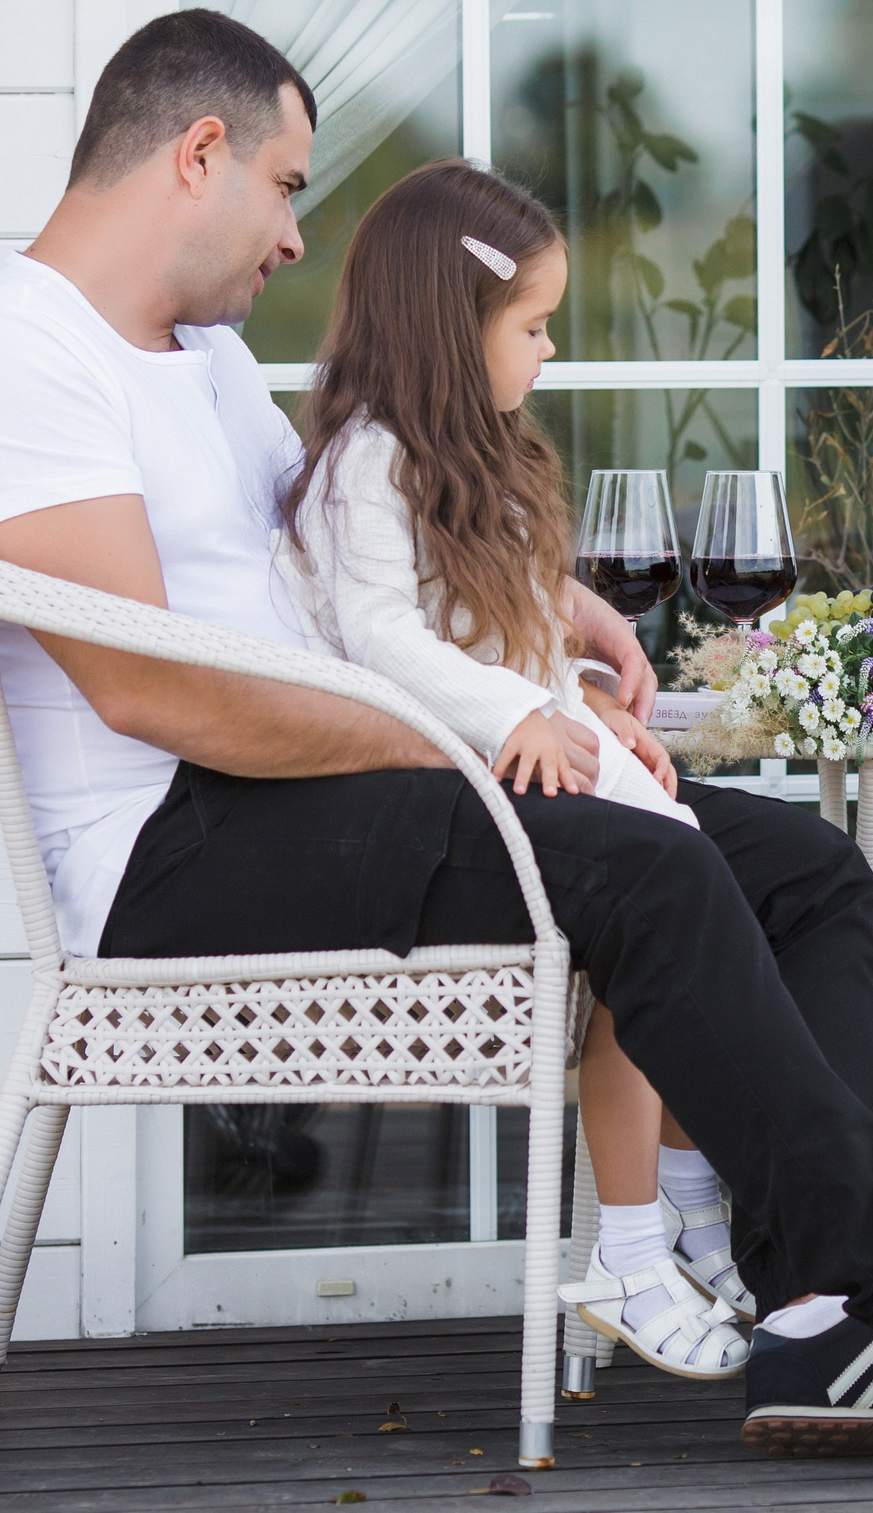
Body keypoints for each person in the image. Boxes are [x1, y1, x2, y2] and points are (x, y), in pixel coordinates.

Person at [0, 8, 873, 1473]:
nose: (290, 237)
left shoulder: (189, 354)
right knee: (633, 867)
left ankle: (818, 1313)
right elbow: (155, 694)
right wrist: (459, 737)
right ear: (198, 153)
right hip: (174, 841)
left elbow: (345, 544)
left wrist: (554, 606)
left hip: (304, 782)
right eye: (284, 185)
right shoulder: (18, 356)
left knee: (805, 870)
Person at [277, 157, 749, 1380]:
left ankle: (687, 1212)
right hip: (439, 787)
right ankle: (637, 1244)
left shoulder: (477, 463)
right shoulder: (365, 468)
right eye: (531, 325)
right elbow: (384, 638)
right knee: (663, 924)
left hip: (524, 749)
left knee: (695, 924)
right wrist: (512, 717)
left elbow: (511, 627)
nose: (545, 351)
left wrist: (584, 692)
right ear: (450, 324)